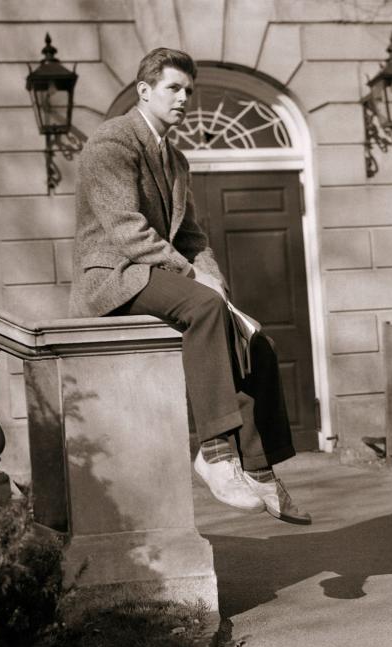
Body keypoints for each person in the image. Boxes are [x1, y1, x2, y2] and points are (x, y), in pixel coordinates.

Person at [70, 47, 310, 525]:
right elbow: (125, 230)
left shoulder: (177, 160)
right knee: (203, 308)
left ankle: (261, 469)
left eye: (188, 91)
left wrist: (216, 281)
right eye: (173, 89)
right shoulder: (112, 142)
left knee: (255, 338)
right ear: (144, 90)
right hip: (114, 277)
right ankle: (216, 453)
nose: (184, 99)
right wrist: (192, 277)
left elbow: (193, 236)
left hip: (158, 271)